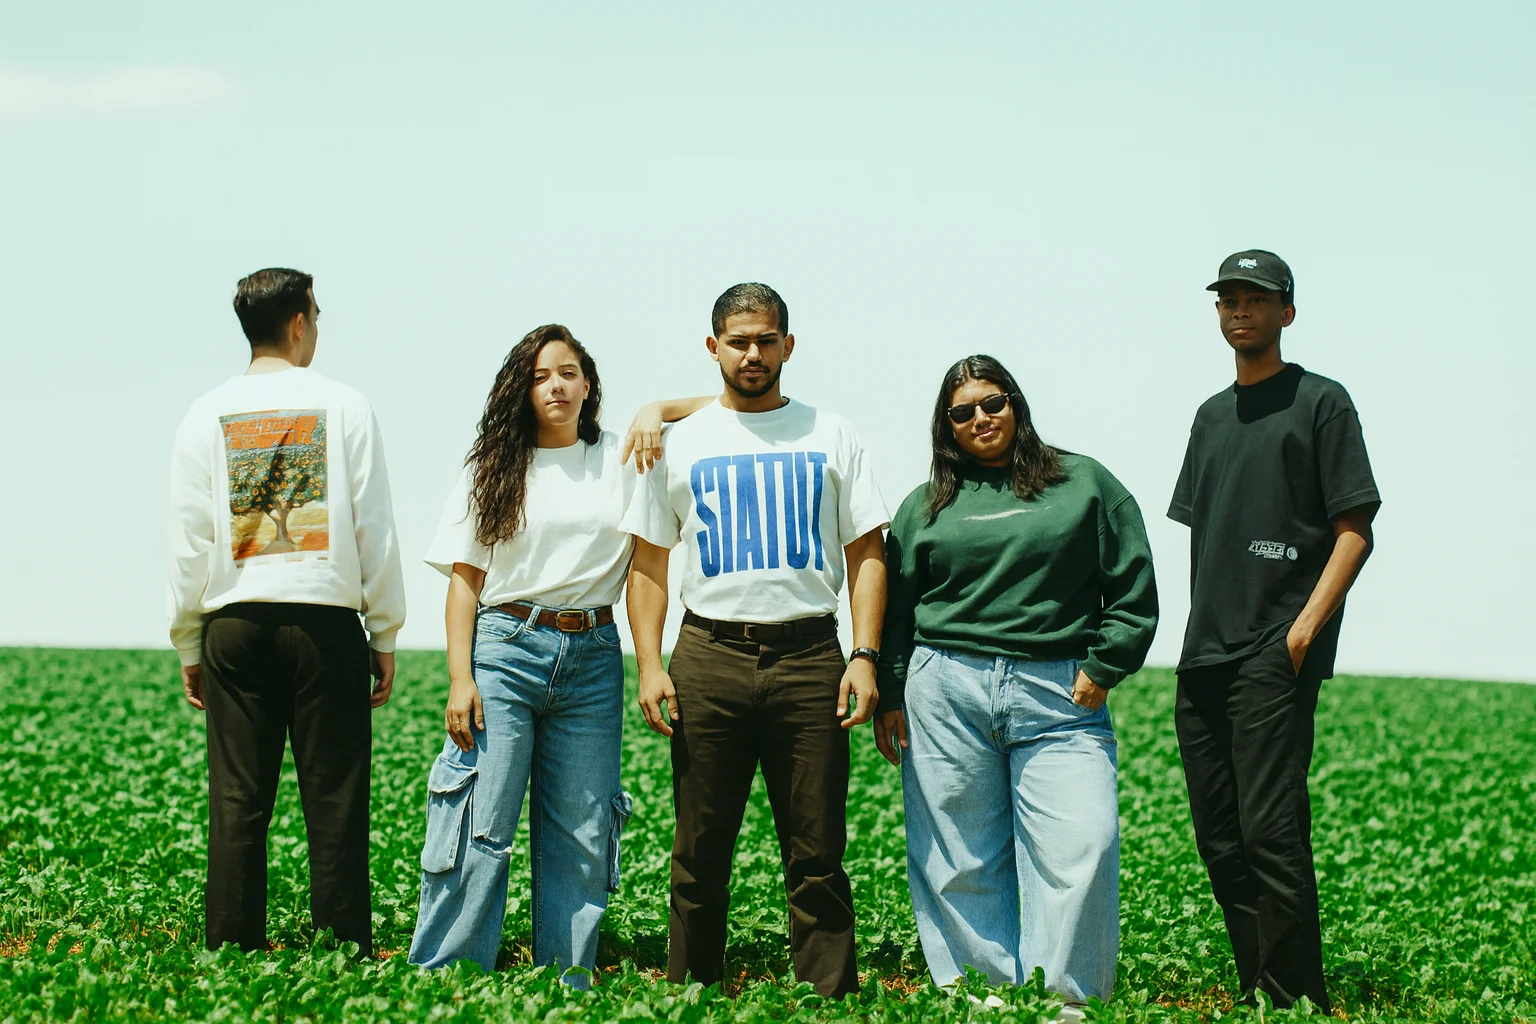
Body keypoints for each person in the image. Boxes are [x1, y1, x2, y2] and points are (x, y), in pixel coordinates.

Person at [407, 323, 710, 981]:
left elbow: (736, 403)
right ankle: (448, 974)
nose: (556, 385)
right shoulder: (493, 465)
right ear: (522, 388)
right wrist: (461, 677)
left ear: (589, 383)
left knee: (581, 830)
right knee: (481, 822)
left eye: (568, 372)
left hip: (594, 655)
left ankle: (564, 983)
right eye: (541, 375)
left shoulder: (624, 457)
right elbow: (465, 582)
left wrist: (658, 409)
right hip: (505, 650)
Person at [621, 283, 889, 999]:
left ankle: (827, 998)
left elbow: (867, 553)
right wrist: (649, 664)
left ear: (788, 347)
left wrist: (865, 654)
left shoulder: (833, 434)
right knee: (700, 848)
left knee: (818, 849)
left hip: (810, 658)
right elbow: (648, 565)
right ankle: (692, 993)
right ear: (713, 348)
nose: (753, 354)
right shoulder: (680, 442)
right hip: (709, 655)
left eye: (766, 340)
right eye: (738, 341)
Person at [874, 355, 1158, 1007]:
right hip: (944, 689)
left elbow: (1132, 584)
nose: (981, 419)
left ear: (1016, 405)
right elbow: (897, 610)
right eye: (963, 411)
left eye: (993, 403)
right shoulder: (926, 506)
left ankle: (1065, 1005)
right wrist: (892, 694)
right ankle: (982, 1000)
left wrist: (1105, 663)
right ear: (946, 426)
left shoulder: (1084, 484)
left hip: (1057, 691)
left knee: (1085, 843)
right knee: (957, 857)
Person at [166, 267, 406, 957]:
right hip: (324, 622)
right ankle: (343, 956)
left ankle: (232, 952)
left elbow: (189, 539)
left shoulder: (204, 413)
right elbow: (373, 527)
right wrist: (383, 630)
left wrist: (190, 641)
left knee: (238, 804)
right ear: (300, 321)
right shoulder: (345, 406)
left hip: (234, 625)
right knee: (334, 803)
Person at [1168, 250, 1380, 1013]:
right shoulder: (1210, 416)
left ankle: (1296, 1000)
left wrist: (1301, 633)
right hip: (1205, 653)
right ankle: (1263, 987)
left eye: (1255, 299)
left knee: (1271, 833)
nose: (1239, 311)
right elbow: (1208, 537)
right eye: (1227, 299)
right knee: (1220, 839)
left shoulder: (1322, 402)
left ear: (1287, 312)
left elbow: (1355, 527)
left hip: (1273, 651)